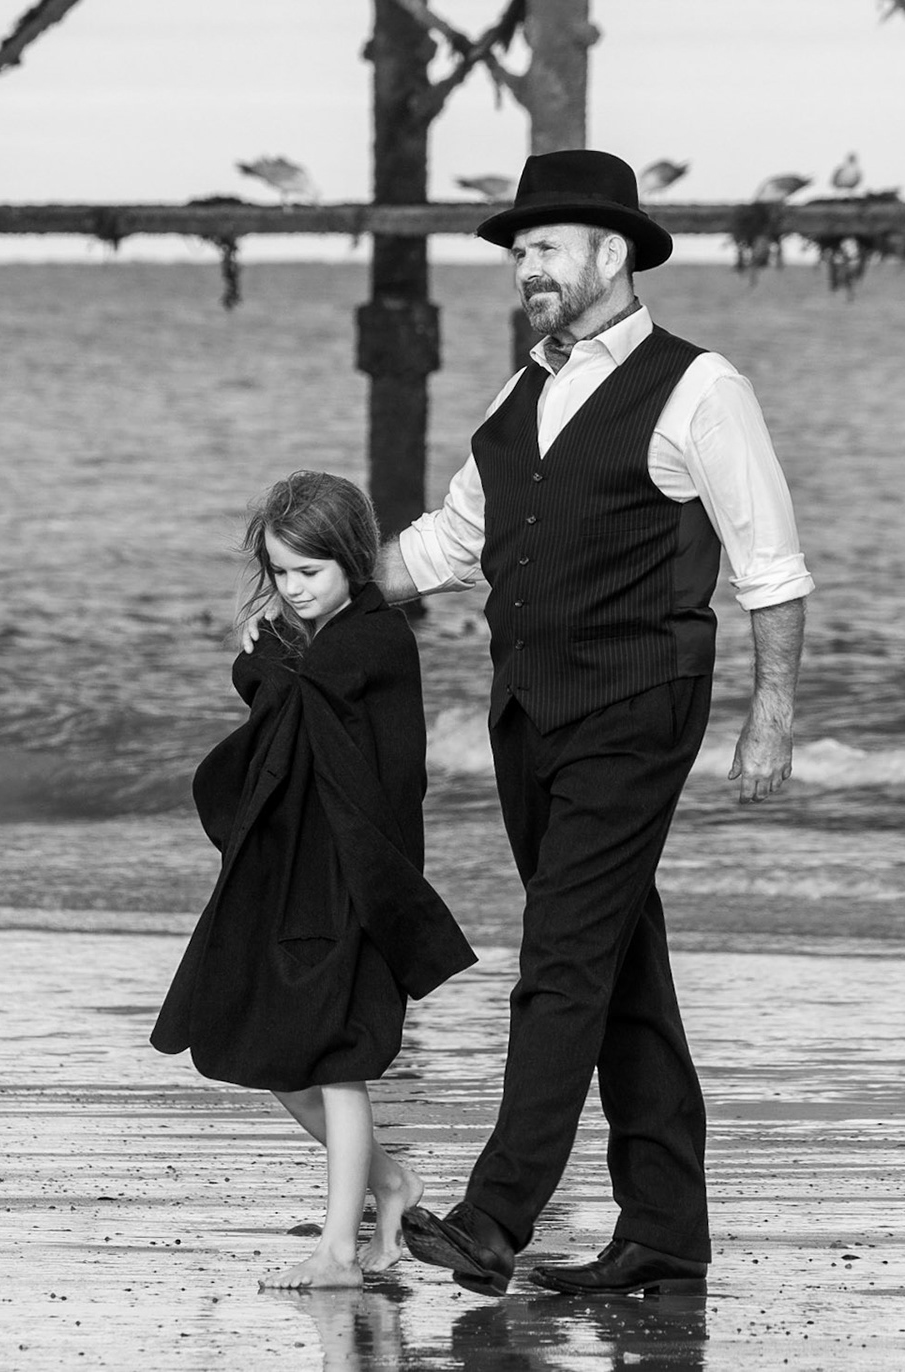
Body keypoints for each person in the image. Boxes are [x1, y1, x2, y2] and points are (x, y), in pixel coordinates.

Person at [343, 149, 811, 1298]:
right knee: (617, 958)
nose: (527, 270)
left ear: (612, 252)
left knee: (560, 954)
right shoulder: (519, 397)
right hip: (526, 711)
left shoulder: (700, 387)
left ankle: (496, 1216)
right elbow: (451, 542)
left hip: (637, 707)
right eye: (519, 253)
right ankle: (667, 1229)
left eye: (546, 248)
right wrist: (327, 596)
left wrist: (771, 714)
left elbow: (770, 562)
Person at [152, 471, 477, 1290]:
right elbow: (282, 719)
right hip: (295, 872)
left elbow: (319, 718)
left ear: (354, 561)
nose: (294, 588)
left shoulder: (372, 640)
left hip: (356, 878)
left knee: (336, 1059)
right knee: (268, 1048)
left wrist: (265, 658)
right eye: (281, 571)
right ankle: (390, 1183)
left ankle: (338, 1249)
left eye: (310, 571)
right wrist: (270, 655)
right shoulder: (311, 643)